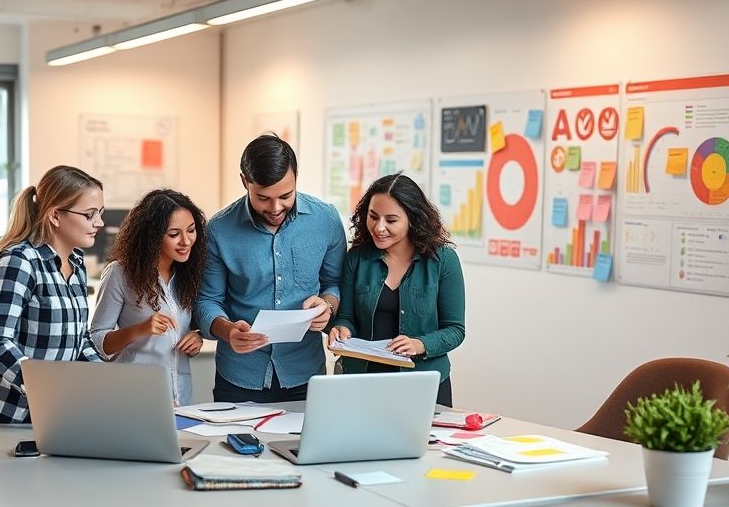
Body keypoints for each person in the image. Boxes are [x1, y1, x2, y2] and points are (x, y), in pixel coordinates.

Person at [196, 134, 346, 403]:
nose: (276, 208)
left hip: (306, 373)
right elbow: (208, 300)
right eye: (263, 198)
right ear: (244, 181)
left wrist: (327, 306)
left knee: (305, 446)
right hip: (239, 375)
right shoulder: (218, 230)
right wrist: (227, 330)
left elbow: (333, 283)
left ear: (296, 176)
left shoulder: (326, 220)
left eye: (285, 196)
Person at [0, 165, 106, 424]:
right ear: (55, 215)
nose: (99, 223)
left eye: (100, 213)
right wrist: (48, 388)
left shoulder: (76, 265)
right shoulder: (18, 262)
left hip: (44, 413)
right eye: (89, 215)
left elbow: (80, 341)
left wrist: (113, 384)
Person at [327, 173, 465, 407]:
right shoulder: (357, 258)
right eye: (373, 217)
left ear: (413, 219)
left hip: (424, 385)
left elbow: (455, 329)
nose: (379, 228)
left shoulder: (443, 260)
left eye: (391, 220)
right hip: (362, 382)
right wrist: (341, 329)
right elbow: (347, 317)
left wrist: (419, 344)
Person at [90, 189, 207, 406]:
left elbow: (185, 328)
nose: (186, 241)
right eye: (174, 234)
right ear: (152, 237)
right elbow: (96, 341)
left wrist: (196, 337)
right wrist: (140, 329)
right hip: (135, 397)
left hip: (180, 397)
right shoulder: (120, 273)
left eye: (191, 230)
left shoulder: (188, 274)